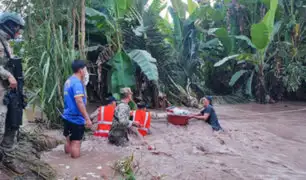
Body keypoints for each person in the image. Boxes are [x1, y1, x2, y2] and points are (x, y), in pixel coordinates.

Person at [0, 12, 26, 174]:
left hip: (10, 91)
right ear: (8, 25)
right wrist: (8, 75)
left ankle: (7, 158)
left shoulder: (7, 43)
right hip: (2, 90)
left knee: (13, 122)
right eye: (16, 28)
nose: (18, 31)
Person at [62, 60, 92, 158]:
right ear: (80, 70)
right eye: (85, 69)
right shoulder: (77, 83)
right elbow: (79, 101)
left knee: (68, 140)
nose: (86, 72)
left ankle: (66, 163)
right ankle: (75, 166)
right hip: (76, 118)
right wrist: (87, 118)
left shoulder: (68, 81)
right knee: (76, 143)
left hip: (66, 116)